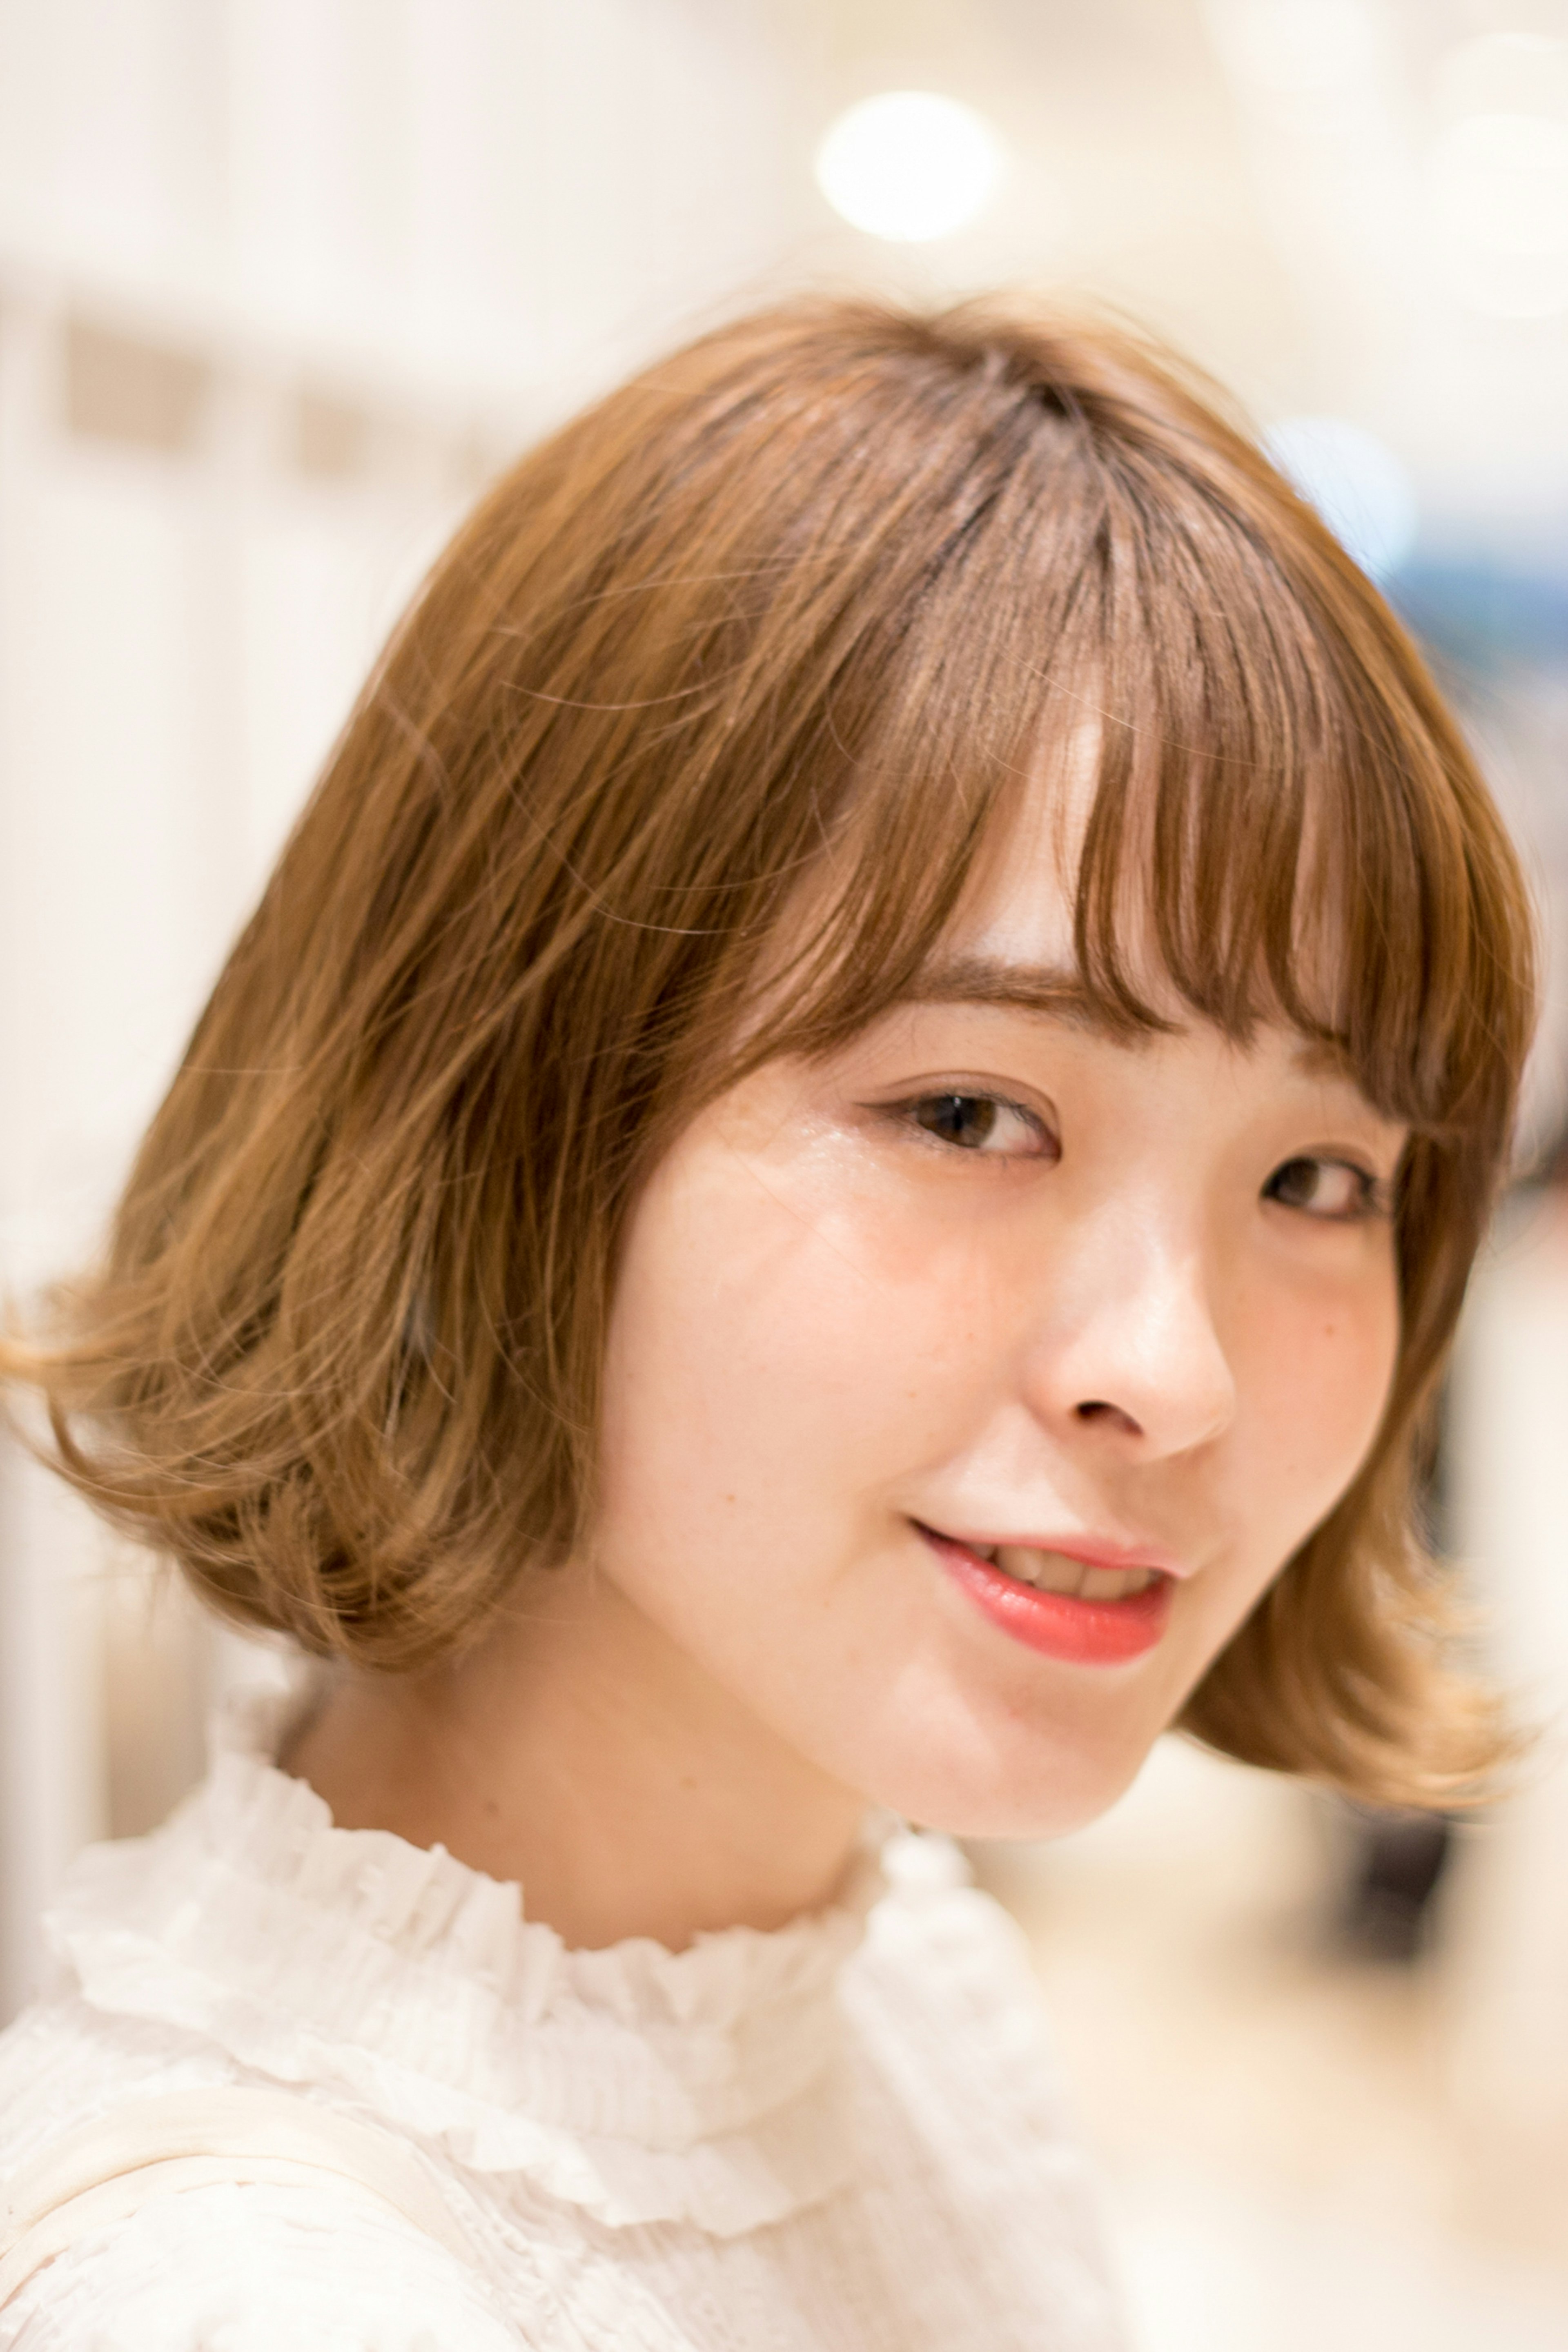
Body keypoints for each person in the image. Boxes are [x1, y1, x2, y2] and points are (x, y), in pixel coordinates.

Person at [0, 297, 1536, 2350]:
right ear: (493, 1101)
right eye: (973, 1113)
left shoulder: (889, 1978)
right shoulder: (263, 2290)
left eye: (1317, 1179)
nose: (1179, 1373)